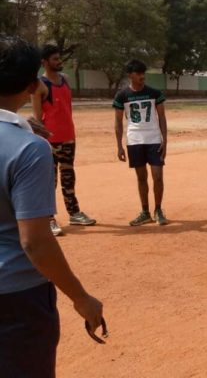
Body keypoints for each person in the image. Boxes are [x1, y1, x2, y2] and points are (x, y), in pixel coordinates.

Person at [0, 36, 104, 376]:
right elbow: (35, 242)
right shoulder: (29, 150)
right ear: (32, 84)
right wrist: (81, 298)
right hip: (17, 298)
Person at [31, 44, 96, 236]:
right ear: (44, 62)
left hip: (69, 137)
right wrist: (42, 140)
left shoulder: (65, 80)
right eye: (55, 59)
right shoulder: (39, 85)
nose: (59, 62)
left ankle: (74, 212)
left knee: (69, 177)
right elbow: (37, 117)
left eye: (60, 59)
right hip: (49, 141)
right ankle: (48, 218)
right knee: (49, 180)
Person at [113, 59, 169, 226]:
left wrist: (164, 140)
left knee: (157, 176)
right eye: (138, 73)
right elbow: (117, 121)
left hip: (153, 139)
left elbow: (162, 117)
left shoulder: (155, 93)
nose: (142, 76)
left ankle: (158, 209)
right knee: (141, 177)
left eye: (143, 73)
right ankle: (145, 212)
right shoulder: (122, 95)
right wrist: (119, 146)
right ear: (130, 75)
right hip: (134, 140)